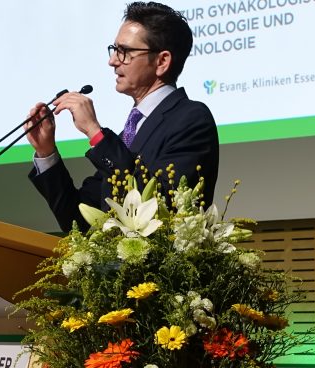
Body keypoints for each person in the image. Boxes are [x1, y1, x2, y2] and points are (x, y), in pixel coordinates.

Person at [25, 2, 220, 232]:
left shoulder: (191, 119)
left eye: (125, 52)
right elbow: (78, 222)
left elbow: (162, 208)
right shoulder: (130, 133)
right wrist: (47, 153)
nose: (113, 60)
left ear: (162, 62)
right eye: (114, 49)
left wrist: (96, 133)